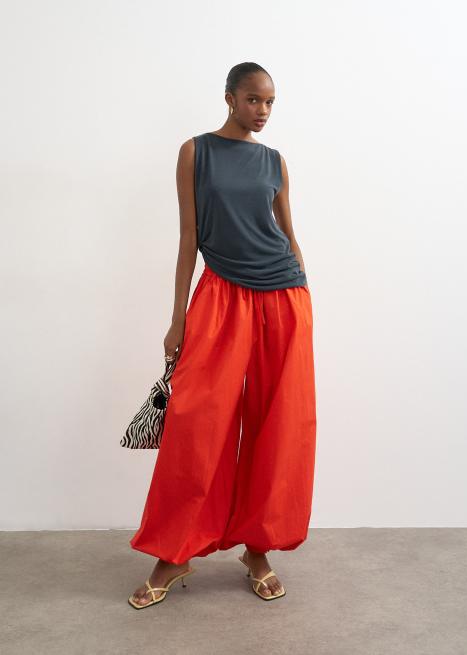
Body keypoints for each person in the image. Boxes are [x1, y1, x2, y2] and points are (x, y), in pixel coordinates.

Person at [128, 62, 317, 608]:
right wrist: (178, 318)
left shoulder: (275, 161)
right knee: (197, 423)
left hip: (283, 295)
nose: (263, 110)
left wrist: (303, 292)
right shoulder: (196, 152)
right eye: (254, 99)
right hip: (220, 294)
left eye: (271, 102)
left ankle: (258, 549)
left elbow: (288, 234)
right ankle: (174, 552)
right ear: (230, 97)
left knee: (278, 424)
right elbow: (188, 238)